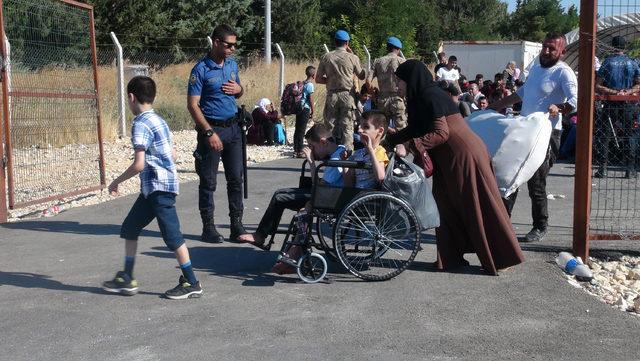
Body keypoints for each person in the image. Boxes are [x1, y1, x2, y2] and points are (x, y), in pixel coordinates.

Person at [386, 60, 524, 275]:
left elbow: (442, 133)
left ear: (411, 80)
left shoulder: (430, 96)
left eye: (400, 81)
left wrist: (411, 146)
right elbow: (416, 128)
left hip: (463, 156)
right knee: (445, 205)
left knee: (477, 204)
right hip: (448, 158)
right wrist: (387, 141)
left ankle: (500, 257)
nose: (398, 86)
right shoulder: (422, 97)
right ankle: (450, 258)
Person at [103, 76, 203, 300]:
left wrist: (116, 181)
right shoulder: (160, 120)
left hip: (158, 188)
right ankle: (127, 277)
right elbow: (173, 154)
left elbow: (139, 164)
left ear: (131, 97)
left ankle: (192, 282)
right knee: (130, 228)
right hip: (154, 189)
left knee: (172, 236)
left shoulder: (140, 123)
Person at [489, 32, 578, 243]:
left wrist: (560, 107)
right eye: (544, 47)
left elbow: (576, 101)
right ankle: (502, 223)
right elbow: (519, 95)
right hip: (524, 131)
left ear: (562, 52)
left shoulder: (564, 73)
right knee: (510, 177)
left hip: (548, 134)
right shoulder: (537, 68)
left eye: (551, 49)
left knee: (536, 181)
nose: (546, 52)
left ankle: (540, 226)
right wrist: (492, 108)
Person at [238, 124, 346, 249]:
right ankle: (263, 234)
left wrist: (311, 163)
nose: (311, 150)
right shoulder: (339, 149)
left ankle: (260, 236)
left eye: (312, 146)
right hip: (327, 193)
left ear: (323, 142)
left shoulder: (336, 159)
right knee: (280, 194)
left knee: (280, 197)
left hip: (327, 198)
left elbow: (320, 187)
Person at [187, 24, 247, 244]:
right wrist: (209, 132)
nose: (232, 49)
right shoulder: (200, 70)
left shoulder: (231, 65)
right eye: (229, 45)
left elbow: (239, 91)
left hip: (233, 129)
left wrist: (239, 90)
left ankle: (236, 225)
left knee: (235, 180)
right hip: (211, 130)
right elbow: (193, 105)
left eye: (234, 45)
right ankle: (208, 227)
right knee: (208, 182)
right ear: (216, 42)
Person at [594, 35, 640, 179]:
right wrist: (627, 91)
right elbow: (638, 84)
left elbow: (598, 85)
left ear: (612, 46)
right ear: (625, 47)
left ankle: (603, 168)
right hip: (628, 104)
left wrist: (614, 92)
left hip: (610, 103)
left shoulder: (607, 63)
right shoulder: (632, 63)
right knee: (629, 135)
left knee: (605, 136)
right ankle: (630, 169)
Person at [316, 29, 366, 151]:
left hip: (332, 95)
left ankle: (331, 153)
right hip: (347, 95)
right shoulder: (352, 57)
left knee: (330, 126)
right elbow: (362, 76)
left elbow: (318, 78)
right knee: (347, 126)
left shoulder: (326, 57)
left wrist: (330, 81)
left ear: (335, 42)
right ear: (347, 42)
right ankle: (347, 156)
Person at [344, 110, 389, 188]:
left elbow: (380, 177)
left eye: (366, 127)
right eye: (360, 126)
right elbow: (349, 183)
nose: (359, 130)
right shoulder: (358, 153)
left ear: (380, 131)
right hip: (356, 195)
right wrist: (344, 163)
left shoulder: (379, 151)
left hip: (370, 196)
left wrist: (370, 149)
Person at [371, 36, 407, 131]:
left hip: (382, 98)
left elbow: (367, 80)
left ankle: (380, 145)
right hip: (398, 97)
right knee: (401, 128)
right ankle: (401, 145)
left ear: (387, 47)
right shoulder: (402, 61)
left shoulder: (378, 61)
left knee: (382, 128)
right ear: (398, 49)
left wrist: (374, 95)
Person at [293, 66, 316, 158]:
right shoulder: (310, 85)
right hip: (305, 109)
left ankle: (296, 149)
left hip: (298, 108)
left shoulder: (302, 83)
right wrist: (312, 110)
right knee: (302, 130)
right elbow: (310, 98)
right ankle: (299, 151)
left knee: (297, 129)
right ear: (313, 75)